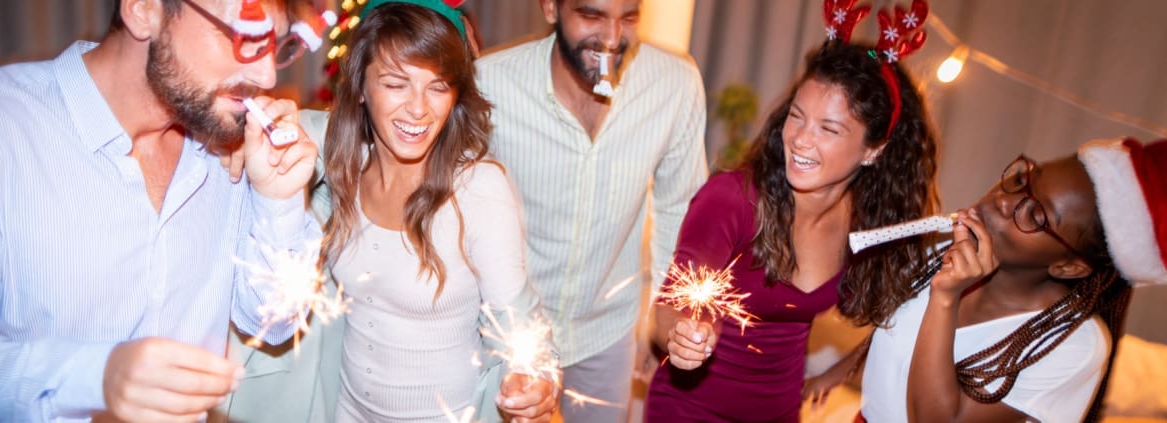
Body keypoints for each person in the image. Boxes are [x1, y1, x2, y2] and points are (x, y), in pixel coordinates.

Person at [0, 0, 323, 420]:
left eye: (277, 45)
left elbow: (274, 322)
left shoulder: (233, 146)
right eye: (246, 37)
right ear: (144, 9)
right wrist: (95, 377)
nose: (267, 76)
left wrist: (277, 199)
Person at [644, 23, 942, 423]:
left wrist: (836, 374)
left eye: (828, 129)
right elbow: (670, 307)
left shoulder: (869, 227)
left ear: (873, 150)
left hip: (781, 413)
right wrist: (680, 335)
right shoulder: (733, 199)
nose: (800, 139)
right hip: (688, 410)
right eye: (797, 116)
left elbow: (900, 316)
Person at [314, 1, 558, 421]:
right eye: (396, 84)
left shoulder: (478, 188)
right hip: (346, 412)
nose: (418, 109)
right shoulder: (343, 165)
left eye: (438, 86)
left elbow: (519, 319)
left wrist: (536, 378)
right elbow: (288, 126)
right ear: (360, 85)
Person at [475, 0, 709, 419]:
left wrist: (660, 319)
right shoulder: (489, 83)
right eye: (592, 15)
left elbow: (679, 211)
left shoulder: (675, 85)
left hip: (608, 334)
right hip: (507, 331)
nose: (613, 38)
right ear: (551, 7)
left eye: (629, 17)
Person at [853, 138, 1166, 422]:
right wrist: (833, 374)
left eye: (1036, 216)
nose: (1004, 200)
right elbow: (892, 337)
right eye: (1021, 181)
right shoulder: (943, 248)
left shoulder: (1074, 344)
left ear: (1069, 267)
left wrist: (945, 297)